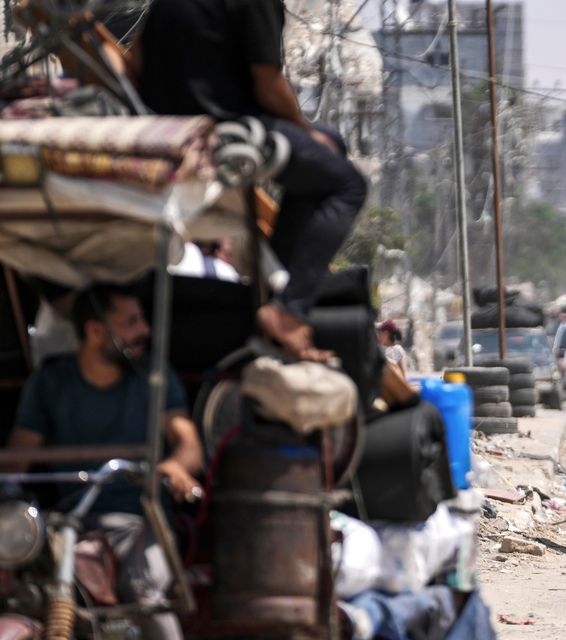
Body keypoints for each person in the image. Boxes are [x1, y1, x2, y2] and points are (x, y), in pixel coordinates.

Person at [130, 0, 368, 360]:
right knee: (347, 184)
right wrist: (305, 131)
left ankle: (277, 293)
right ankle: (288, 310)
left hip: (168, 127)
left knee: (323, 153)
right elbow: (269, 86)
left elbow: (134, 63)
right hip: (225, 132)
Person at [5, 284, 204, 640]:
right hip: (67, 523)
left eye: (141, 319)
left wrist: (174, 466)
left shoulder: (152, 378)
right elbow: (19, 456)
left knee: (144, 594)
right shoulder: (51, 381)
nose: (145, 330)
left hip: (138, 523)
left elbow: (188, 444)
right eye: (130, 322)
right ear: (95, 331)